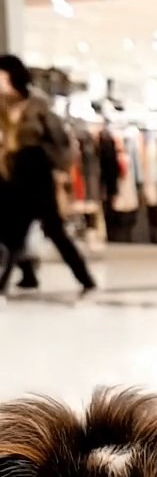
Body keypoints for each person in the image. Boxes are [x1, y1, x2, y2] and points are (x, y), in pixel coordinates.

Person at [0, 55, 95, 299]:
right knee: (11, 230)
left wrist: (62, 170)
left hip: (36, 169)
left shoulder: (37, 104)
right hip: (12, 169)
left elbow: (58, 139)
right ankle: (24, 275)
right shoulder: (1, 106)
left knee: (53, 229)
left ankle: (84, 276)